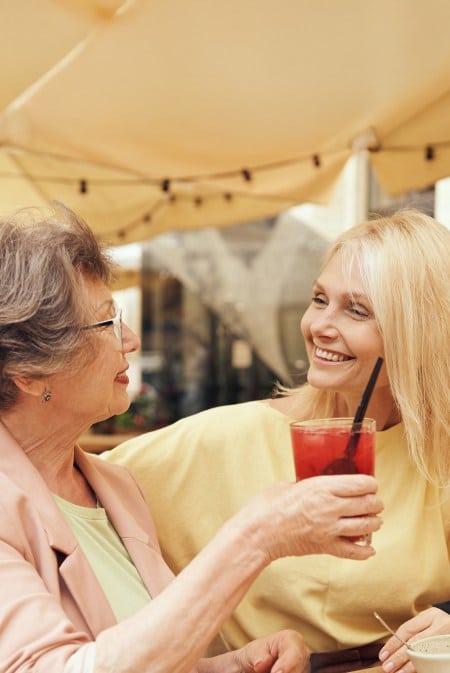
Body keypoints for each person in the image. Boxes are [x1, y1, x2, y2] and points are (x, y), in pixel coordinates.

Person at [0, 202, 384, 673]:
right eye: (106, 323)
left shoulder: (115, 488)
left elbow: (144, 654)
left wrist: (229, 666)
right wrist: (255, 538)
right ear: (30, 372)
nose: (132, 339)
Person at [104, 209, 450, 673]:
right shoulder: (225, 438)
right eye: (319, 299)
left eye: (357, 310)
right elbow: (67, 493)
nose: (319, 325)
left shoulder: (438, 455)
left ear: (417, 333)